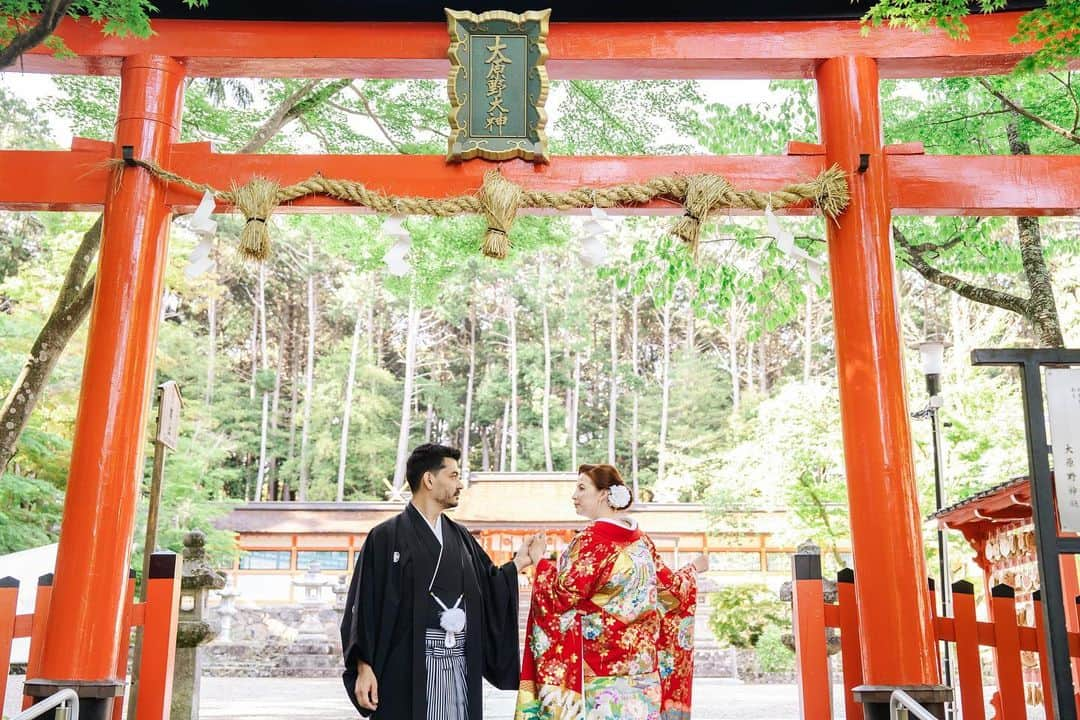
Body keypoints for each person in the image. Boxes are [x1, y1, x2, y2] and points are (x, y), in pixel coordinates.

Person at [341, 443, 544, 719]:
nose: (460, 484)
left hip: (459, 663)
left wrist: (520, 562)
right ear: (428, 479)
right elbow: (364, 605)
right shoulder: (385, 537)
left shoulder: (460, 537)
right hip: (407, 664)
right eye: (453, 476)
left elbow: (489, 584)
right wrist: (364, 667)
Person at [515, 463, 708, 720]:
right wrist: (693, 569)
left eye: (582, 488)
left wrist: (539, 561)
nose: (575, 495)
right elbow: (671, 592)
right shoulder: (642, 541)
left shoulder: (591, 541)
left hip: (599, 675)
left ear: (604, 495)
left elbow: (562, 597)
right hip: (644, 674)